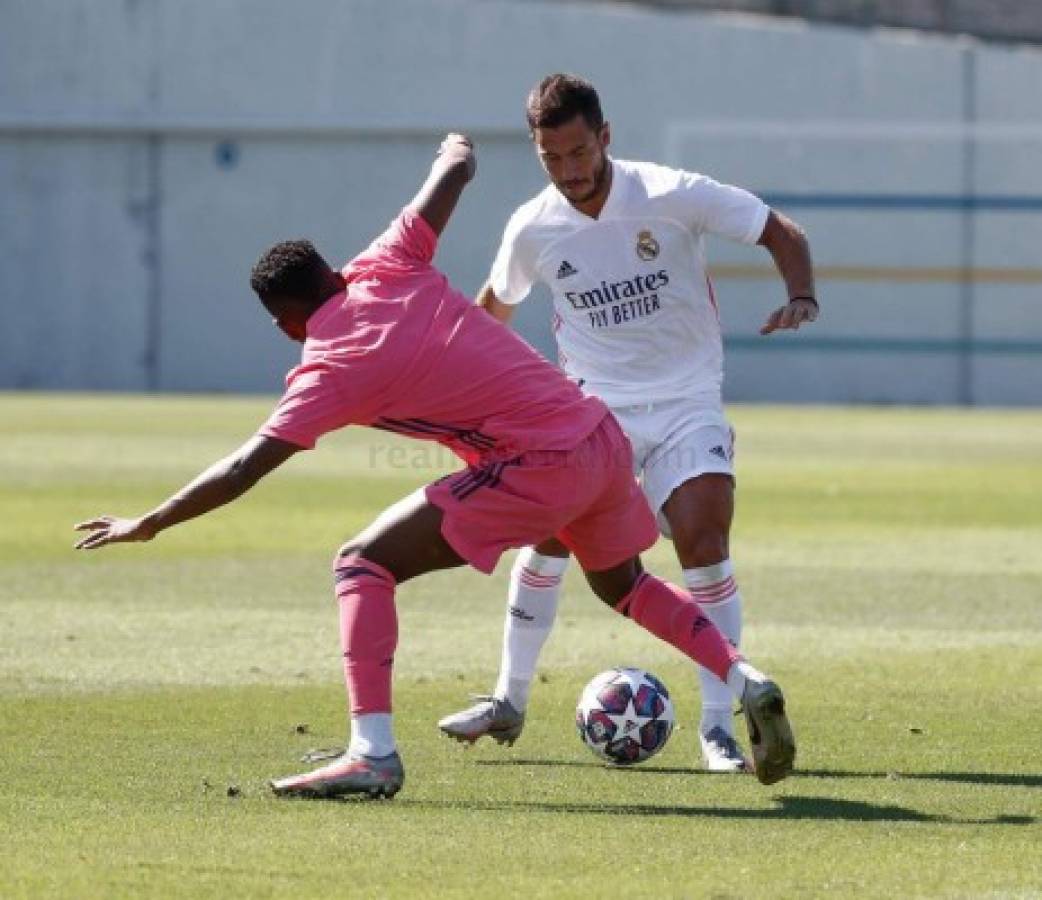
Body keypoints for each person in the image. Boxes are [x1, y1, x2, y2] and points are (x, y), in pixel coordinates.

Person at [73, 133, 795, 799]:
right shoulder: (388, 260)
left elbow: (242, 469)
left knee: (362, 564)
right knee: (627, 585)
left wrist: (153, 521)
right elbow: (449, 176)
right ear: (332, 270)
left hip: (540, 463)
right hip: (598, 434)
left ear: (284, 324)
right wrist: (457, 152)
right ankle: (743, 675)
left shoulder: (329, 365)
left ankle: (373, 752)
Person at [438, 74, 816, 774]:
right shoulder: (534, 227)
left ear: (605, 137)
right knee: (547, 536)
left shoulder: (670, 194)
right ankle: (508, 699)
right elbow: (493, 309)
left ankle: (719, 729)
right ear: (537, 152)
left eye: (579, 151)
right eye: (552, 157)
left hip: (685, 401)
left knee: (704, 539)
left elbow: (777, 230)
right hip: (590, 411)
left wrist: (801, 295)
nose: (570, 170)